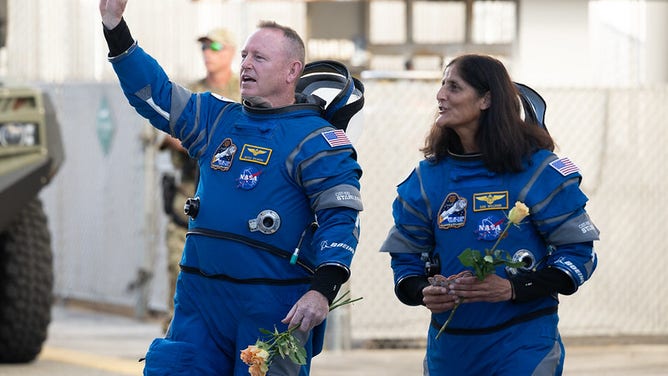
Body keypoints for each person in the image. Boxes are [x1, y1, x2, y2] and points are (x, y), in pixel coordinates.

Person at [99, 1, 363, 375]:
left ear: (292, 71)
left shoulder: (318, 140)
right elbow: (154, 93)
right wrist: (115, 28)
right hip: (199, 304)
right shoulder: (215, 118)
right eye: (244, 55)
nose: (246, 65)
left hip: (272, 306)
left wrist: (322, 290)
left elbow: (341, 219)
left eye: (260, 57)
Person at [380, 54, 599, 375]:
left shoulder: (539, 172)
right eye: (442, 85)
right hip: (450, 348)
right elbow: (405, 259)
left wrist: (513, 288)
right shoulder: (426, 180)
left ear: (486, 99)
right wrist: (422, 291)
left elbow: (580, 255)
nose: (440, 95)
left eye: (454, 87)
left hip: (523, 343)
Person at [158, 26, 240, 333]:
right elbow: (167, 133)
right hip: (188, 206)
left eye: (215, 47)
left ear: (231, 52)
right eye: (204, 47)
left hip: (230, 212)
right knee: (178, 283)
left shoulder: (244, 92)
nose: (208, 53)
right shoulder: (191, 93)